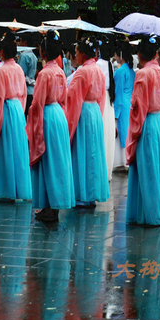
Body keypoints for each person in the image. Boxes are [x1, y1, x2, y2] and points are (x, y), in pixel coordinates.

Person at [126, 37, 160, 225]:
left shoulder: (143, 74)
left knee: (148, 167)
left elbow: (139, 106)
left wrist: (134, 130)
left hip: (147, 123)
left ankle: (150, 212)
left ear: (139, 54)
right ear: (156, 53)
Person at [26, 32, 74, 221]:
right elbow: (64, 98)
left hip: (46, 115)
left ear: (43, 52)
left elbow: (37, 102)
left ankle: (47, 205)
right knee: (57, 160)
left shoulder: (44, 73)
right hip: (59, 115)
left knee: (46, 160)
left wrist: (33, 123)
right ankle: (55, 203)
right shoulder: (60, 72)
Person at [0, 37, 32, 202]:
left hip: (5, 109)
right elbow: (23, 92)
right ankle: (19, 188)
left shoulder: (1, 70)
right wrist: (20, 108)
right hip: (17, 108)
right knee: (17, 149)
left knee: (5, 149)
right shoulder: (18, 69)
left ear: (1, 52)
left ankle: (6, 189)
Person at [66, 38, 110, 207]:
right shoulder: (98, 70)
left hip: (83, 112)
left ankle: (82, 193)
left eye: (76, 52)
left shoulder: (82, 72)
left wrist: (69, 124)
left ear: (83, 53)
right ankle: (91, 193)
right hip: (95, 112)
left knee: (81, 151)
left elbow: (73, 98)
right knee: (92, 152)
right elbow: (101, 96)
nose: (75, 55)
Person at [113, 42, 136, 168]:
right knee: (127, 131)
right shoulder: (131, 71)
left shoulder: (120, 72)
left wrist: (115, 114)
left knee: (121, 131)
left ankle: (122, 161)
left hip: (122, 104)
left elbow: (119, 93)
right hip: (130, 104)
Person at [96, 41, 116, 182]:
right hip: (109, 101)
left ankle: (101, 170)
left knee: (102, 135)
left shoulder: (98, 64)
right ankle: (108, 169)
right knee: (108, 134)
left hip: (102, 100)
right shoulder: (110, 65)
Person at [17, 33, 38, 115]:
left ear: (25, 42)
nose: (19, 43)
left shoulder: (24, 56)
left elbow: (20, 74)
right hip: (32, 90)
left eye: (20, 40)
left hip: (25, 90)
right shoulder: (33, 55)